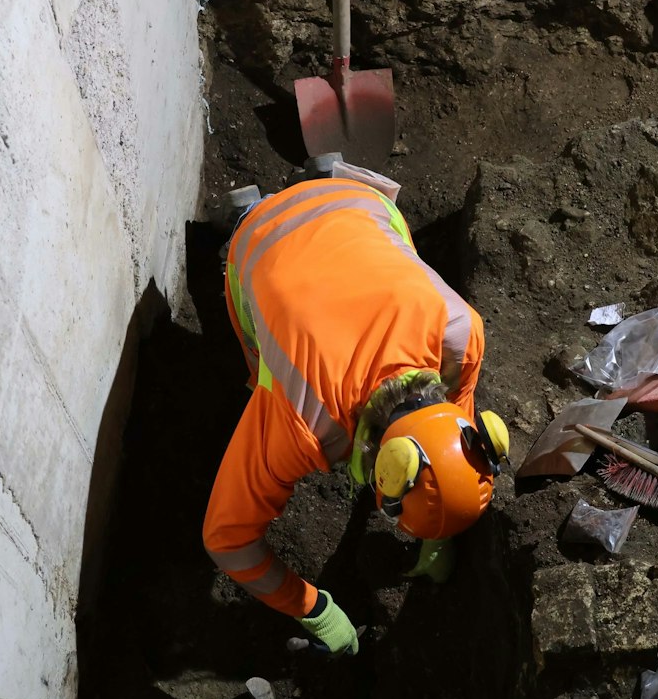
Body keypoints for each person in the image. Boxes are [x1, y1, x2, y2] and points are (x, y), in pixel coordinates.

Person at [203, 168, 509, 655]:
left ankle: (325, 170)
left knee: (392, 252)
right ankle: (245, 214)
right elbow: (226, 540)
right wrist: (311, 608)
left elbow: (456, 423)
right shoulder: (305, 420)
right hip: (263, 240)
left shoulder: (460, 334)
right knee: (262, 362)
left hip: (358, 201)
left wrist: (440, 527)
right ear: (380, 473)